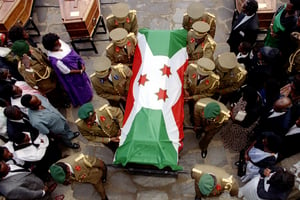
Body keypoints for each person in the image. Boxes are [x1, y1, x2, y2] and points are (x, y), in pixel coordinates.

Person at [10, 39, 70, 108]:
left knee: (60, 89)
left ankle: (65, 98)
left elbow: (43, 58)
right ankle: (60, 104)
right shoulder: (23, 67)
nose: (30, 50)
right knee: (54, 96)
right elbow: (31, 82)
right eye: (27, 50)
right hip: (46, 85)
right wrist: (28, 69)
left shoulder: (32, 51)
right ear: (23, 54)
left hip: (51, 75)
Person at [42, 33, 93, 107]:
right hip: (74, 76)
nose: (59, 43)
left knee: (85, 84)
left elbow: (74, 54)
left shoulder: (60, 43)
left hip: (79, 67)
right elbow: (67, 71)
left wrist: (81, 64)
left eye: (58, 41)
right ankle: (84, 99)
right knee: (79, 89)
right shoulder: (55, 60)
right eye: (57, 43)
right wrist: (80, 71)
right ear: (51, 47)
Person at [220, 86, 263, 152]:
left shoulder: (252, 111)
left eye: (244, 95)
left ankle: (233, 143)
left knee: (234, 131)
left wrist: (233, 117)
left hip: (242, 125)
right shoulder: (255, 97)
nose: (242, 95)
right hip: (242, 116)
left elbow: (243, 123)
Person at [184, 58, 220, 124]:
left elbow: (208, 94)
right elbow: (185, 76)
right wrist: (185, 89)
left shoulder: (214, 81)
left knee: (196, 111)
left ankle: (195, 121)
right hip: (189, 92)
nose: (201, 76)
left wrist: (193, 98)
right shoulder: (191, 67)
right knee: (189, 108)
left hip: (199, 99)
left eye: (203, 74)